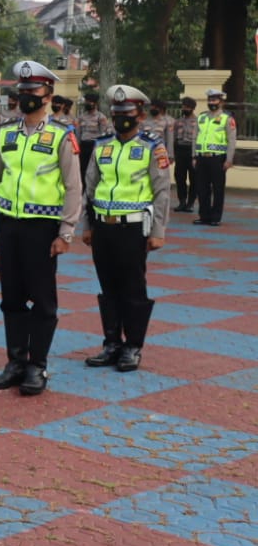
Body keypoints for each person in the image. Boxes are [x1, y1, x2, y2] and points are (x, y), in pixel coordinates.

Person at [0, 60, 83, 396]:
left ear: (48, 95)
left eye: (32, 91)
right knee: (11, 298)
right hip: (8, 225)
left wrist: (66, 232)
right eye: (21, 91)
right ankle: (15, 361)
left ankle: (37, 366)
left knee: (42, 300)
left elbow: (73, 187)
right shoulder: (7, 132)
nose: (25, 97)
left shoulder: (62, 136)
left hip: (42, 229)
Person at [81, 84, 170, 372]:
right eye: (117, 113)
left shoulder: (152, 146)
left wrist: (158, 231)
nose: (121, 119)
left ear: (140, 115)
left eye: (127, 114)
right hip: (103, 228)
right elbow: (90, 187)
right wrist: (87, 224)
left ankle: (132, 345)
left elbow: (162, 192)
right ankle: (111, 343)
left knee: (132, 288)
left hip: (133, 228)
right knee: (108, 288)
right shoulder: (102, 144)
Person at [193, 88, 237, 226]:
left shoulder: (227, 118)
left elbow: (231, 141)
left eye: (214, 100)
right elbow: (195, 138)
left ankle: (215, 217)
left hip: (217, 159)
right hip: (201, 158)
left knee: (218, 189)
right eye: (210, 100)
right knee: (201, 189)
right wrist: (194, 156)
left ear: (221, 102)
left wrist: (229, 160)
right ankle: (204, 216)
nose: (212, 102)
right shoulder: (201, 117)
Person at [172, 96, 198, 212]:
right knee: (179, 177)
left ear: (192, 108)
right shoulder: (178, 122)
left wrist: (196, 155)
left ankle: (191, 203)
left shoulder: (198, 122)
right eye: (183, 106)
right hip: (180, 150)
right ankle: (182, 201)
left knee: (194, 178)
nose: (184, 109)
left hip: (192, 151)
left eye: (187, 107)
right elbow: (173, 138)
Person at [76, 91, 106, 178]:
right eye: (86, 101)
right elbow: (78, 133)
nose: (87, 103)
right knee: (82, 169)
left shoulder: (101, 117)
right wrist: (77, 146)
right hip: (83, 145)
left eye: (90, 101)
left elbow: (103, 134)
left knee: (94, 169)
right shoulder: (81, 117)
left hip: (94, 146)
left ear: (95, 103)